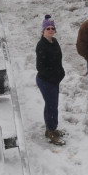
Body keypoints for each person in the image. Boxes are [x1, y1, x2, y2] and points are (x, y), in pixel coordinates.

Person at [35, 15, 66, 146]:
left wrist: (61, 72)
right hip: (46, 81)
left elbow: (58, 60)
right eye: (48, 28)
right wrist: (53, 77)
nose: (51, 30)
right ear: (43, 30)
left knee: (53, 105)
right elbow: (40, 67)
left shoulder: (54, 42)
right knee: (51, 105)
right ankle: (50, 131)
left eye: (52, 28)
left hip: (54, 80)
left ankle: (52, 128)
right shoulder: (41, 46)